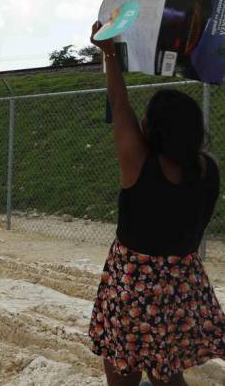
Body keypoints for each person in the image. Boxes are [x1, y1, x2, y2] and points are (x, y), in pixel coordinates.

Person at [88, 21, 224, 386]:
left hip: (134, 290)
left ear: (153, 129)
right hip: (181, 287)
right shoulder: (208, 170)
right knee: (169, 375)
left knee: (124, 376)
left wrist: (109, 52)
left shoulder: (141, 167)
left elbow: (119, 102)